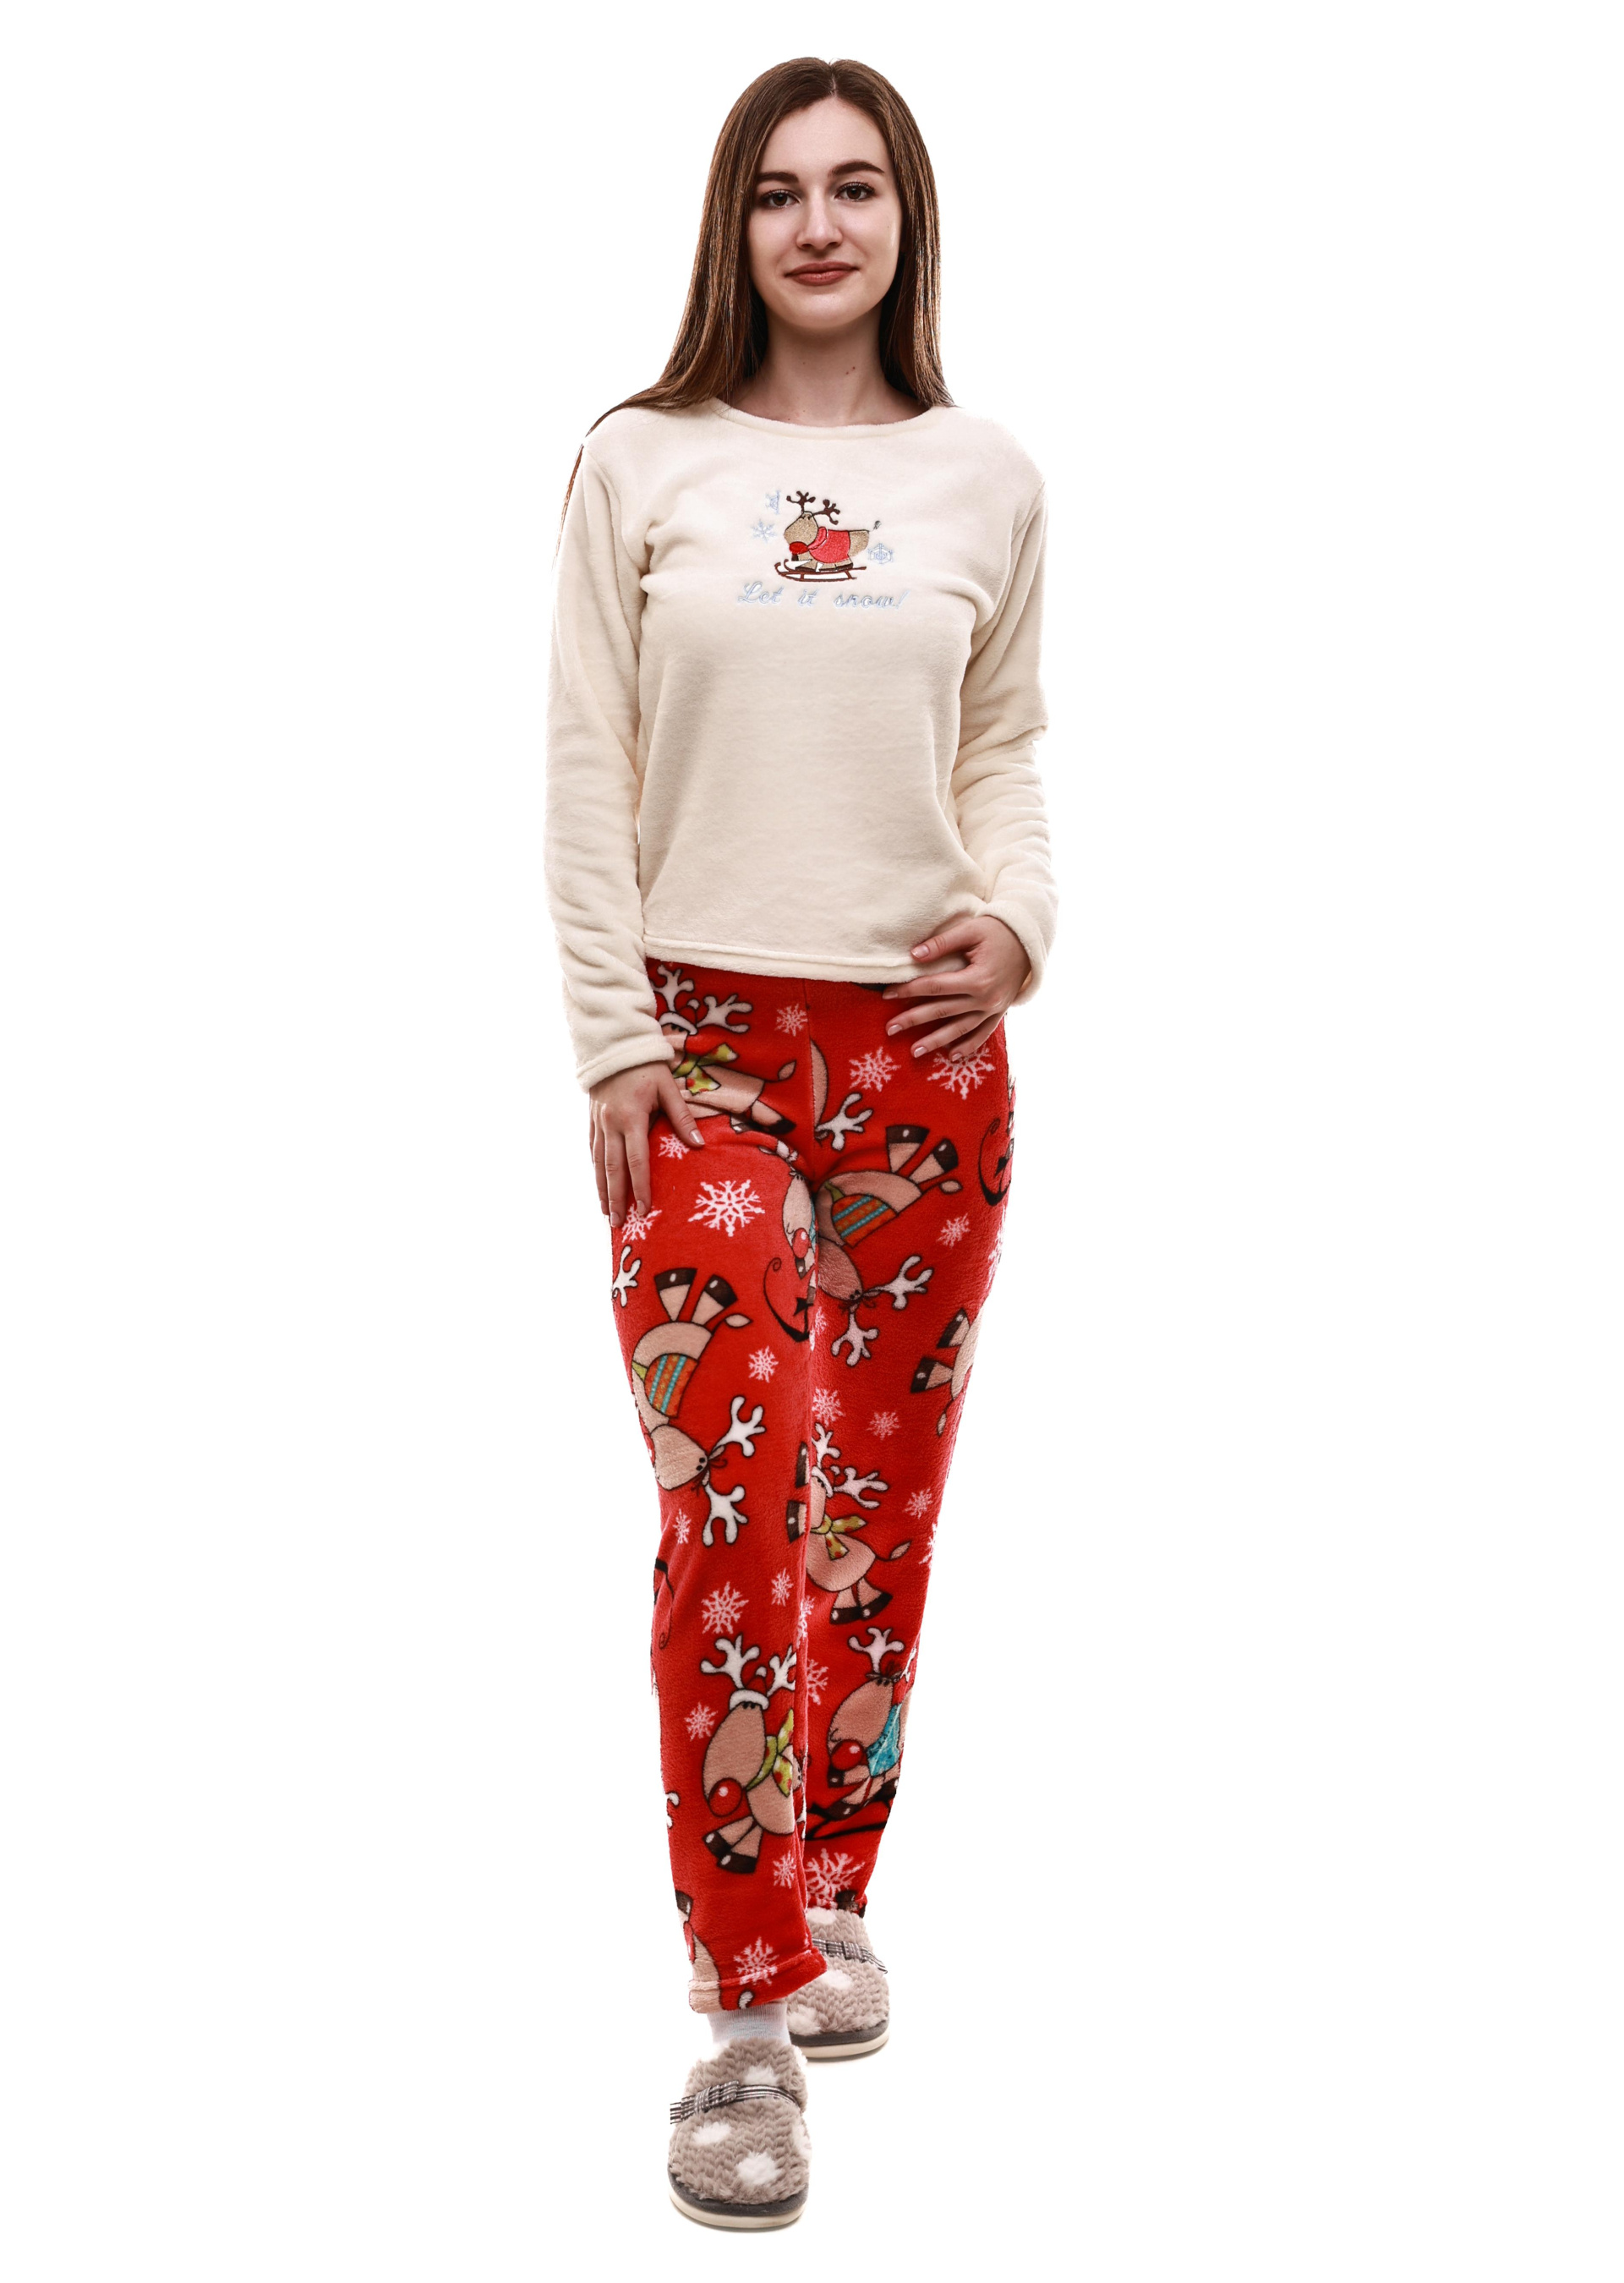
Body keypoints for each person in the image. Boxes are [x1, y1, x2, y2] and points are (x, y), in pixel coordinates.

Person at [545, 55, 1057, 2230]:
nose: (817, 226)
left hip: (923, 1055)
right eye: (776, 193)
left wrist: (1019, 922)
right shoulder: (640, 461)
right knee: (733, 1503)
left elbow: (1002, 740)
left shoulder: (983, 474)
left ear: (906, 219)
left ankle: (832, 1887)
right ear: (730, 228)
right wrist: (610, 1039)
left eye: (855, 189)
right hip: (705, 1056)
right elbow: (586, 760)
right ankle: (743, 2016)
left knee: (872, 1509)